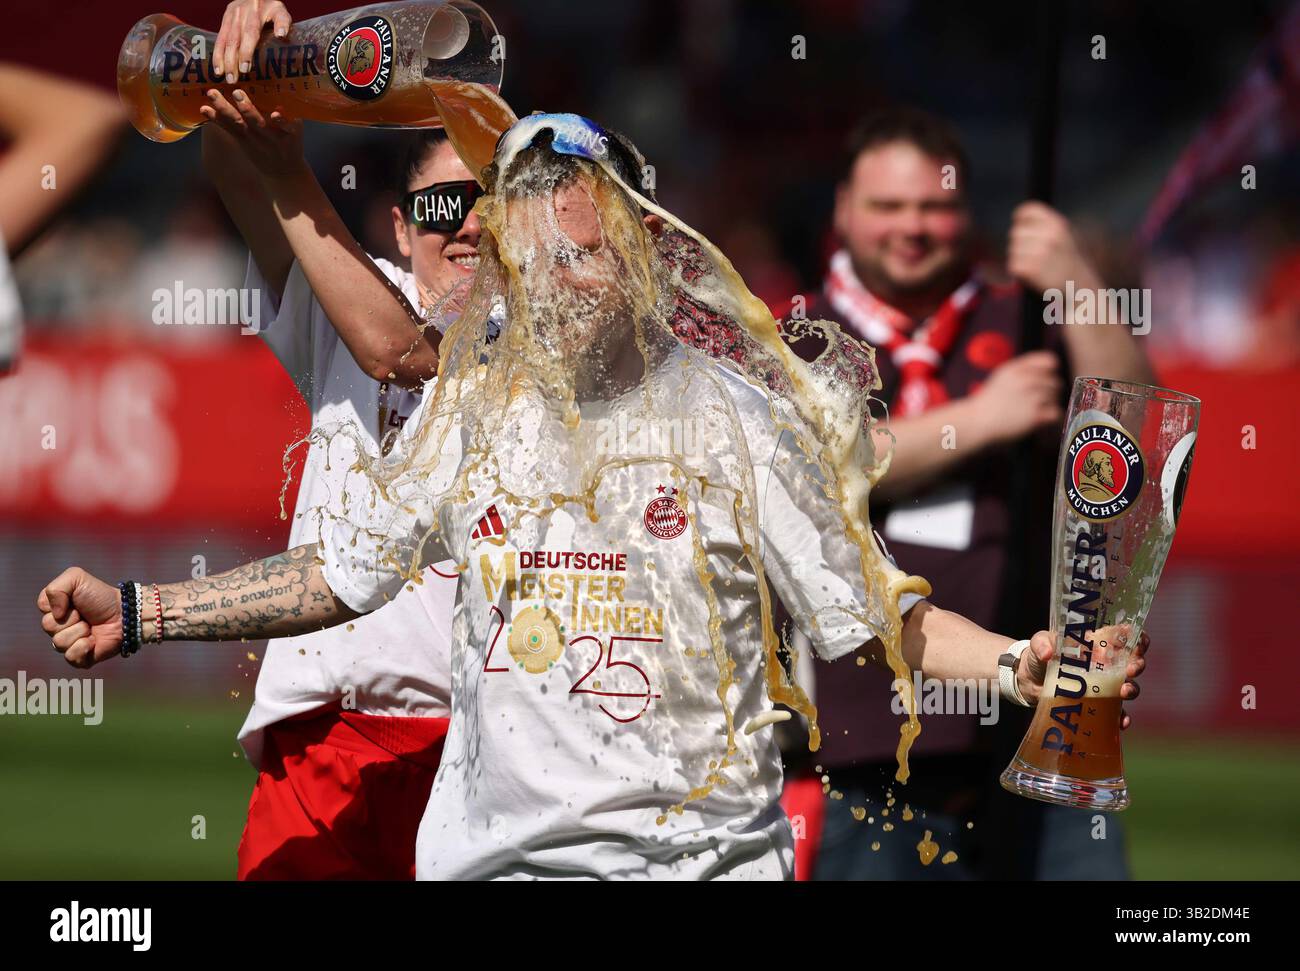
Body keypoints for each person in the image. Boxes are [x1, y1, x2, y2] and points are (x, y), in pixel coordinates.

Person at [37, 112, 1150, 881]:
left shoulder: (740, 420)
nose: (551, 274)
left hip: (702, 863)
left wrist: (1015, 660)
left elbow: (878, 614)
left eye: (578, 245)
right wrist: (143, 611)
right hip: (499, 862)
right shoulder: (470, 411)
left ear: (635, 245)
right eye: (528, 247)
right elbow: (335, 574)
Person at [171, 0, 488, 879]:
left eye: (485, 202)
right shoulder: (352, 284)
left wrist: (287, 163)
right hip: (323, 742)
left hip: (482, 749)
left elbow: (395, 351)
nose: (463, 224)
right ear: (399, 225)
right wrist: (255, 65)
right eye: (441, 202)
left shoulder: (541, 336)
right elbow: (232, 169)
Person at [797, 106, 1155, 880]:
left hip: (1043, 726)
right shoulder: (794, 333)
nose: (913, 226)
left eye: (936, 204)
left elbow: (1137, 425)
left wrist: (1074, 279)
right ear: (843, 212)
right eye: (889, 206)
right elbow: (805, 467)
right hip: (863, 760)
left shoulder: (1022, 318)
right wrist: (982, 419)